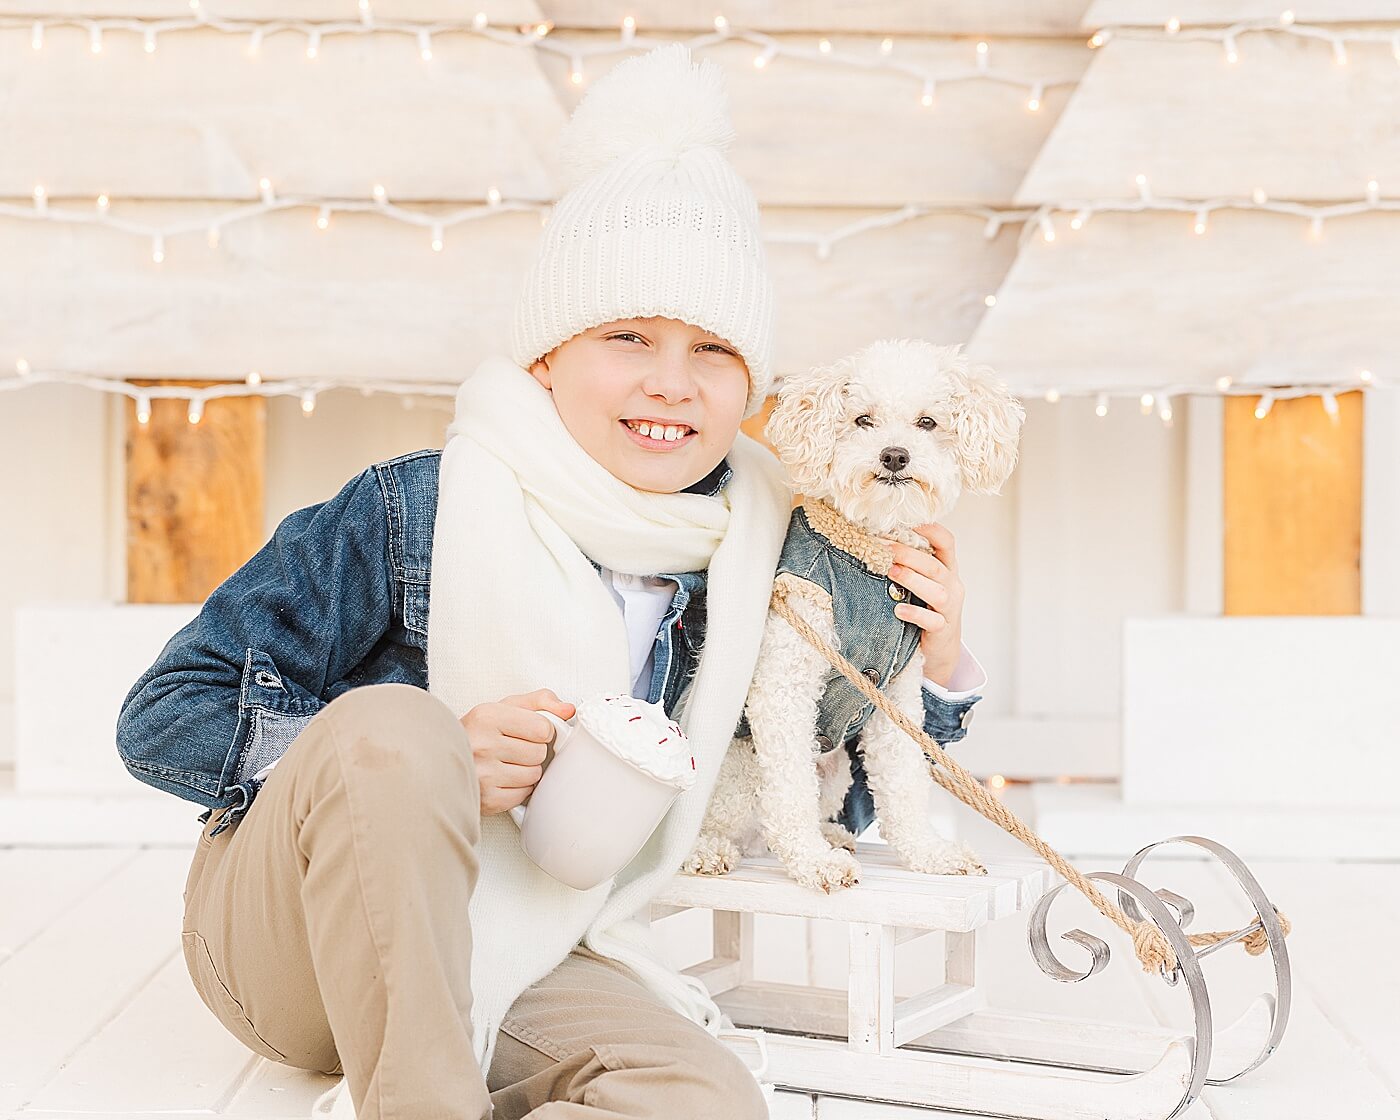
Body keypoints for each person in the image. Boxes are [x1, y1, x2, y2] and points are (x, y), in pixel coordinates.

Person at [115, 44, 985, 1120]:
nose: (671, 382)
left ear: (748, 383)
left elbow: (815, 790)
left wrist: (930, 665)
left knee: (697, 1100)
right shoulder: (413, 507)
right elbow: (162, 716)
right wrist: (427, 764)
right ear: (546, 358)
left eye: (711, 349)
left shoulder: (758, 546)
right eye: (628, 335)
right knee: (397, 728)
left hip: (518, 939)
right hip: (291, 946)